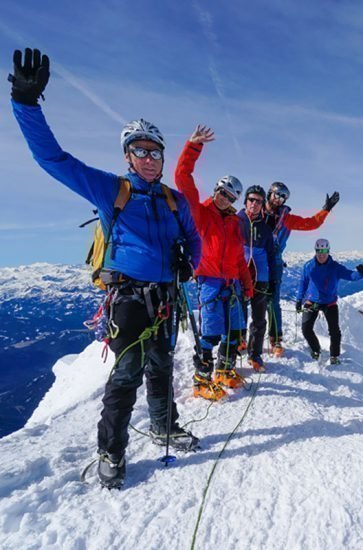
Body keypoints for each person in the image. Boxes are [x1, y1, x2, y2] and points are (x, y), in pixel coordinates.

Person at [9, 48, 202, 489]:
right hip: (130, 298)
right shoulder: (112, 190)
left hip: (166, 296)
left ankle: (163, 425)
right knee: (128, 372)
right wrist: (25, 103)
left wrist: (189, 262)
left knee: (162, 365)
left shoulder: (176, 200)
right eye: (141, 150)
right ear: (128, 156)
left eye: (156, 151)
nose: (150, 158)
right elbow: (53, 160)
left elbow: (193, 237)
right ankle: (111, 452)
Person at [174, 125, 253, 400]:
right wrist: (193, 147)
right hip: (208, 281)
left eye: (231, 197)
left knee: (235, 331)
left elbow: (239, 259)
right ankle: (201, 380)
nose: (225, 199)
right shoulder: (200, 212)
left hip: (231, 283)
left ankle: (225, 371)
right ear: (216, 190)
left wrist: (247, 284)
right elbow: (183, 178)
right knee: (210, 334)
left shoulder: (234, 222)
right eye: (223, 193)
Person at [263, 182, 340, 357]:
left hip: (273, 263)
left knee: (273, 301)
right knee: (246, 299)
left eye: (283, 197)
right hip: (252, 261)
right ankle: (239, 339)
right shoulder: (256, 211)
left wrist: (325, 209)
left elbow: (310, 223)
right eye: (276, 195)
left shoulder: (286, 219)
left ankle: (275, 339)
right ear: (269, 194)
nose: (278, 200)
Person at [296, 238, 363, 365]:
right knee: (306, 328)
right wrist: (298, 299)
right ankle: (316, 350)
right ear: (315, 251)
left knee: (334, 331)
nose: (321, 254)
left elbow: (350, 275)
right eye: (319, 251)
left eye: (324, 251)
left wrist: (360, 273)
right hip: (312, 301)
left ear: (328, 251)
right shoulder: (308, 266)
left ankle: (334, 356)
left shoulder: (335, 267)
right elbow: (303, 283)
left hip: (329, 302)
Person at [237, 185, 276, 372]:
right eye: (251, 199)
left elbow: (271, 256)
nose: (254, 203)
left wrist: (273, 281)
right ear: (245, 201)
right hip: (238, 275)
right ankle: (237, 344)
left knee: (259, 318)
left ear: (262, 205)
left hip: (260, 278)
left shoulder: (266, 229)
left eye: (258, 201)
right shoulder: (235, 221)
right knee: (238, 314)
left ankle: (255, 354)